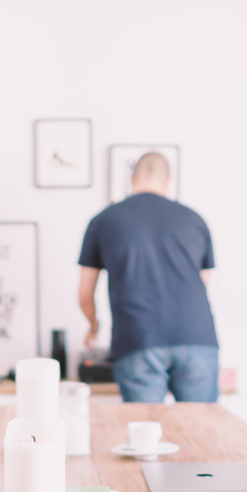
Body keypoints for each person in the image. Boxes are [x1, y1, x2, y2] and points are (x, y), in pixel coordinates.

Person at [77, 152, 219, 403]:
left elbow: (84, 293)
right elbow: (204, 283)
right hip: (197, 337)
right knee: (201, 429)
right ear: (167, 181)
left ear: (132, 179)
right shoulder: (195, 220)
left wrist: (93, 325)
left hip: (139, 338)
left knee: (145, 434)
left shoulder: (103, 220)